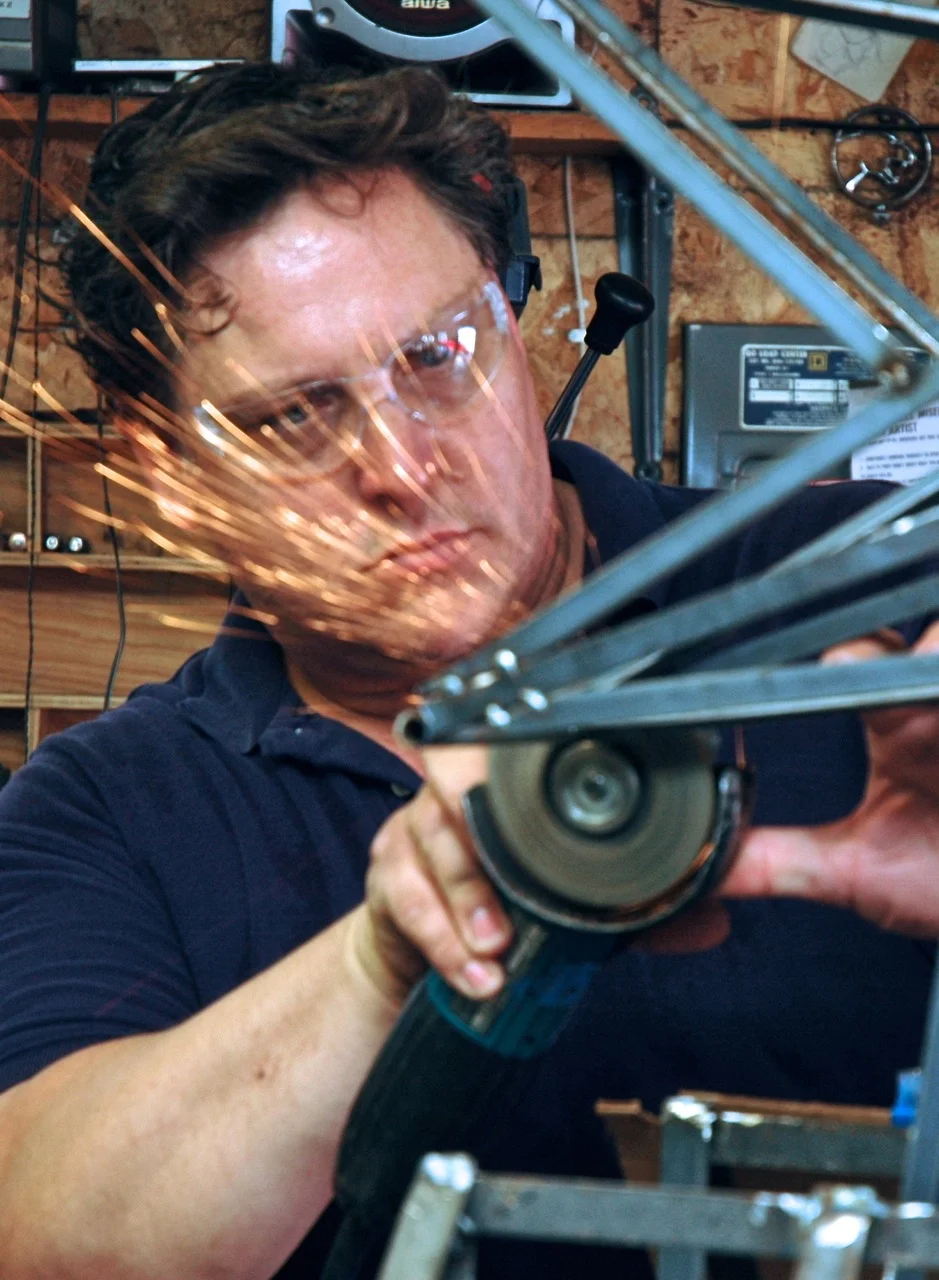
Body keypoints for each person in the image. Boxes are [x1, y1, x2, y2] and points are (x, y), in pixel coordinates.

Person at [0, 60, 937, 1280]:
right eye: (295, 417)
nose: (402, 466)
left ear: (511, 315)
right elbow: (45, 1228)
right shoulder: (105, 811)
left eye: (439, 352)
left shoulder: (869, 590)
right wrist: (382, 958)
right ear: (165, 460)